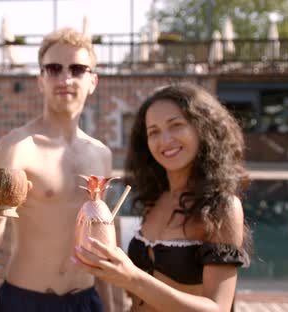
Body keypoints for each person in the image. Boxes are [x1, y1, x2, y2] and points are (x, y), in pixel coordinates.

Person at [0, 27, 114, 312]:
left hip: (86, 300)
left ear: (92, 81)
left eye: (77, 69)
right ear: (40, 80)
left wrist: (109, 304)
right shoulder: (18, 146)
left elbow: (99, 241)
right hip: (27, 300)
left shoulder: (101, 155)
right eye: (54, 69)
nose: (65, 78)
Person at [73, 82, 251, 311]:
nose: (164, 140)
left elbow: (218, 308)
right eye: (153, 131)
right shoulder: (154, 198)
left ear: (202, 128)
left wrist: (131, 277)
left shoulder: (221, 207)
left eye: (175, 125)